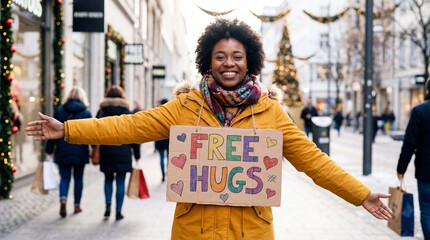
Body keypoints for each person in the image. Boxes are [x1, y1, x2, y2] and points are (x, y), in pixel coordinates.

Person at [26, 18, 392, 239]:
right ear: (208, 62)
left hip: (251, 233)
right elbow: (129, 126)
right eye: (220, 57)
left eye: (236, 57)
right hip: (193, 232)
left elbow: (314, 161)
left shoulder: (272, 113)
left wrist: (361, 194)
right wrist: (70, 130)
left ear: (249, 62)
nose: (228, 64)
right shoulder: (185, 106)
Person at [44, 86, 92, 218]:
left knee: (64, 177)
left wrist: (48, 151)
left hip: (63, 149)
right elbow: (92, 132)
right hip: (80, 150)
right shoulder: (86, 112)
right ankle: (77, 205)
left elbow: (53, 132)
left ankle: (63, 199)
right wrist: (94, 148)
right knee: (78, 179)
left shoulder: (60, 111)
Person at [96, 86, 141, 221]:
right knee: (120, 181)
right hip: (123, 151)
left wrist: (94, 147)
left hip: (106, 150)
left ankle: (108, 206)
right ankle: (118, 211)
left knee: (108, 179)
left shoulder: (101, 112)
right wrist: (137, 155)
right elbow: (134, 135)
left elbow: (94, 131)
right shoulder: (127, 112)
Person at [396, 85, 430, 240]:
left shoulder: (420, 111)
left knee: (426, 208)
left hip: (426, 170)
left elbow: (409, 142)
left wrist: (401, 168)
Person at [154, 98, 169, 182]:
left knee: (161, 158)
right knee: (169, 158)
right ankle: (168, 173)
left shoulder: (158, 113)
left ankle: (163, 174)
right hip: (168, 140)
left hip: (159, 140)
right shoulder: (171, 113)